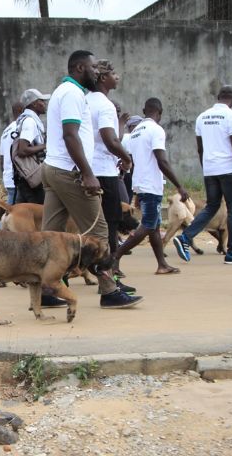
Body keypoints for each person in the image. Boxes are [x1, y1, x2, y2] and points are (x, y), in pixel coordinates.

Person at [41, 50, 142, 309]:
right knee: (99, 232)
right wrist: (87, 172)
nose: (96, 72)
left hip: (53, 169)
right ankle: (109, 291)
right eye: (92, 67)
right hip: (69, 172)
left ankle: (47, 292)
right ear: (78, 68)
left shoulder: (62, 92)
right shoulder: (73, 94)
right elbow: (70, 135)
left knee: (51, 235)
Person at [173, 86, 232, 265]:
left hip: (210, 169)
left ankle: (185, 237)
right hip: (229, 170)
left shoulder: (202, 117)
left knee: (211, 206)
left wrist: (207, 168)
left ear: (218, 97)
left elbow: (200, 149)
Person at [114, 98, 189, 275]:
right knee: (148, 225)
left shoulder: (136, 131)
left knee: (154, 226)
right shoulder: (156, 130)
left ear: (144, 110)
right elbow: (161, 160)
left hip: (140, 183)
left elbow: (126, 153)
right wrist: (179, 186)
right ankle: (115, 256)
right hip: (151, 185)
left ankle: (162, 264)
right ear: (160, 113)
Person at [87, 60, 133, 279]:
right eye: (114, 74)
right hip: (104, 172)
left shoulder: (84, 101)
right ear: (103, 78)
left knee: (89, 223)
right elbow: (110, 138)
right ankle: (109, 272)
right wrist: (125, 158)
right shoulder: (105, 105)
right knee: (111, 223)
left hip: (85, 169)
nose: (118, 77)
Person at [12, 89, 49, 204]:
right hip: (33, 178)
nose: (45, 104)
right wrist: (45, 146)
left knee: (19, 212)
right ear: (34, 104)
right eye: (42, 101)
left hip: (26, 178)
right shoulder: (30, 122)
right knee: (39, 213)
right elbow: (22, 150)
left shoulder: (27, 120)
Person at [0, 101, 24, 204]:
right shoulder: (19, 127)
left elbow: (2, 159)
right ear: (21, 111)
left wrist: (6, 174)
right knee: (11, 215)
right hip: (16, 179)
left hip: (9, 177)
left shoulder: (6, 130)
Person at [120, 115, 143, 204]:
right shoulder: (128, 137)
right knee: (127, 197)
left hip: (127, 171)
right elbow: (131, 159)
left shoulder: (132, 137)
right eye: (137, 125)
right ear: (131, 127)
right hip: (127, 172)